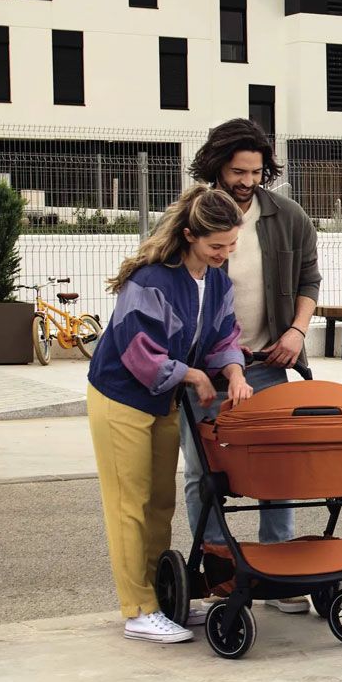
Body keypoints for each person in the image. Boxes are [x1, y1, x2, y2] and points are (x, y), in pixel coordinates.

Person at [87, 186, 253, 644]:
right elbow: (137, 350)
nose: (224, 254)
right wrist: (194, 376)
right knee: (129, 505)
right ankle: (138, 610)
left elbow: (224, 335)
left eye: (231, 245)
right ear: (189, 236)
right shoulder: (151, 279)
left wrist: (235, 373)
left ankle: (161, 600)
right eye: (216, 246)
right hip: (121, 397)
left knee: (160, 503)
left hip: (162, 399)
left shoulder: (216, 280)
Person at [179, 119, 323, 614]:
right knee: (205, 475)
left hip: (266, 363)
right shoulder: (192, 214)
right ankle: (219, 573)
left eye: (256, 171)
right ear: (217, 166)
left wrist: (296, 332)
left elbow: (309, 278)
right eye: (238, 171)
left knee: (276, 471)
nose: (247, 181)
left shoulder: (288, 216)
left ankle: (279, 573)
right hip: (204, 370)